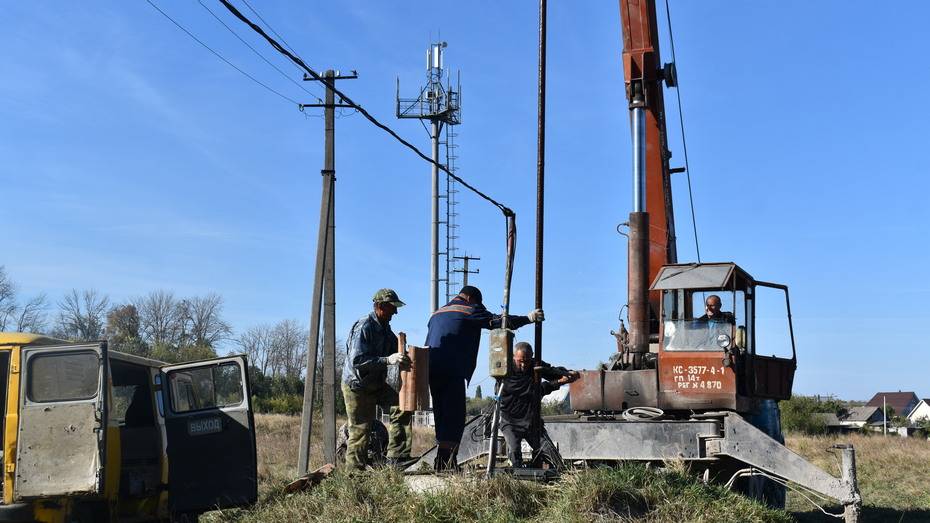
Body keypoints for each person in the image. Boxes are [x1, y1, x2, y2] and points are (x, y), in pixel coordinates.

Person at [425, 285, 544, 470]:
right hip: (452, 369)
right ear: (472, 299)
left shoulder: (437, 313)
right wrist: (528, 318)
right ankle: (446, 463)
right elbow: (499, 321)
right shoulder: (469, 309)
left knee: (441, 415)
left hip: (431, 370)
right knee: (455, 416)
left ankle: (440, 462)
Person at [341, 288, 413, 470]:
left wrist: (407, 354)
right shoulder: (364, 326)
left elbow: (393, 347)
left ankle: (397, 456)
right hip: (358, 386)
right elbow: (357, 360)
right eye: (392, 308)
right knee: (360, 429)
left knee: (402, 405)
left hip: (375, 383)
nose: (395, 312)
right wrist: (387, 360)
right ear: (380, 306)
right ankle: (354, 475)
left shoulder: (384, 328)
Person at [499, 342, 579, 469]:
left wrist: (568, 374)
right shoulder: (505, 371)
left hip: (531, 422)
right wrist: (558, 382)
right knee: (514, 451)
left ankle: (560, 475)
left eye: (527, 361)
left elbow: (551, 371)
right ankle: (517, 476)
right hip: (510, 421)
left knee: (553, 456)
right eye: (520, 361)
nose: (524, 365)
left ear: (532, 357)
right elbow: (533, 391)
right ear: (514, 357)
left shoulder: (535, 364)